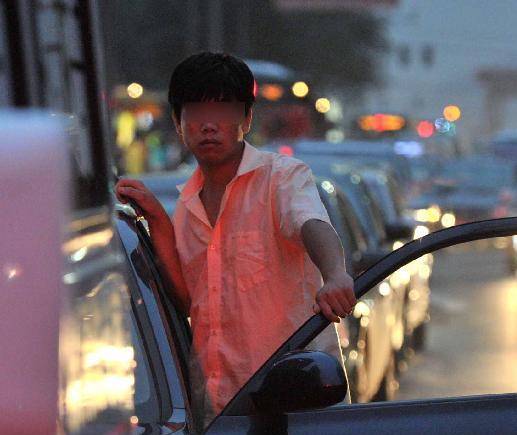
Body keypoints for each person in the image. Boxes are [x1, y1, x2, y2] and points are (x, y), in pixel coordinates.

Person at [115, 52, 356, 415]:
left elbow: (313, 224)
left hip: (298, 408)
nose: (209, 125)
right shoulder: (186, 206)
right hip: (220, 417)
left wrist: (335, 274)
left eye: (224, 112)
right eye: (195, 113)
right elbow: (189, 303)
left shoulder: (284, 178)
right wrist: (160, 225)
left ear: (246, 119)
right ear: (179, 125)